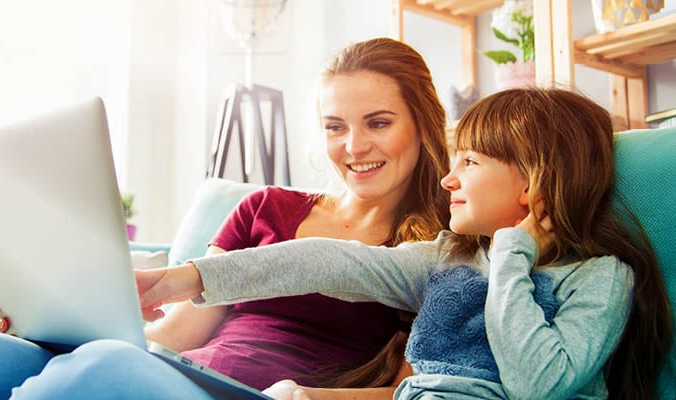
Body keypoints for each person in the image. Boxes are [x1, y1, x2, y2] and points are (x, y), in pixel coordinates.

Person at [0, 37, 452, 399]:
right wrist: (43, 323)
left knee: (96, 372)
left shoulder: (446, 248)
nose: (354, 146)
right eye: (335, 127)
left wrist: (304, 396)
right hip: (180, 371)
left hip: (255, 395)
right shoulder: (266, 208)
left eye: (378, 122)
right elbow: (178, 332)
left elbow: (415, 390)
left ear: (422, 124)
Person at [137, 88, 673, 400]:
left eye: (470, 162)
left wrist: (513, 255)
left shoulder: (600, 279)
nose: (448, 179)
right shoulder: (447, 258)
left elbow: (538, 384)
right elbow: (328, 262)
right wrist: (185, 277)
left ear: (535, 180)